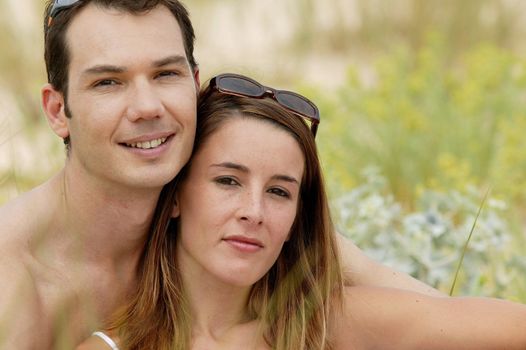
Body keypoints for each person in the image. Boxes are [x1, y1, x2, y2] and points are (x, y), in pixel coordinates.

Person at [0, 1, 439, 348]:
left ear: (194, 84)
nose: (148, 107)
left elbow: (436, 314)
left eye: (165, 74)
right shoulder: (15, 285)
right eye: (108, 83)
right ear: (58, 111)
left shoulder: (223, 215)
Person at [78, 73, 526, 350]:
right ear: (174, 195)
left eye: (279, 192)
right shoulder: (114, 347)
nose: (253, 212)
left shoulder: (329, 325)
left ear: (298, 218)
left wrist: (350, 259)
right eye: (228, 181)